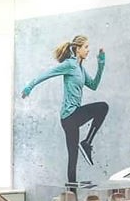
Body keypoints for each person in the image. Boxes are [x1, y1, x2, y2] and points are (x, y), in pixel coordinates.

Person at [21, 35, 108, 186]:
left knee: (73, 158)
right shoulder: (70, 65)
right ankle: (86, 143)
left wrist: (101, 63)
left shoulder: (81, 69)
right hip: (70, 115)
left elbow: (94, 85)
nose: (88, 50)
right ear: (77, 49)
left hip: (71, 118)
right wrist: (29, 87)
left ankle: (72, 194)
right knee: (102, 107)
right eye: (86, 47)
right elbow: (47, 74)